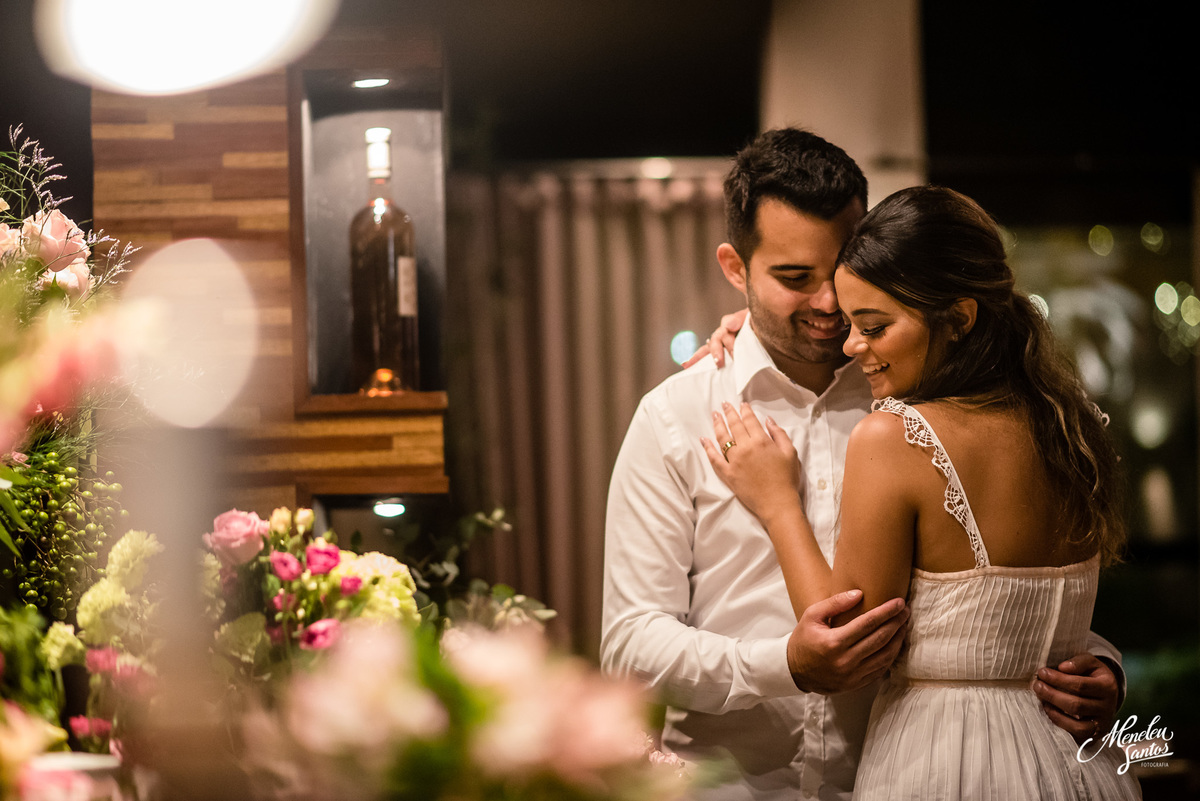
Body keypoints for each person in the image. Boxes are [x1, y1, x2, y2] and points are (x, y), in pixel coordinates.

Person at [600, 128, 1122, 801]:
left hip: (907, 775)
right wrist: (782, 664)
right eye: (795, 278)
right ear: (736, 268)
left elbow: (983, 595)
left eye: (840, 272)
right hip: (731, 785)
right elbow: (631, 647)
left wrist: (1098, 663)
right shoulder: (678, 414)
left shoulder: (913, 398)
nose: (828, 305)